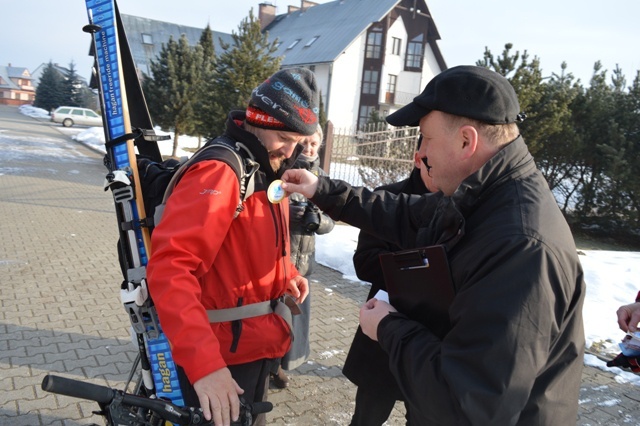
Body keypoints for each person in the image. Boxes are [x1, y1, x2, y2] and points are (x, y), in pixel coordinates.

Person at [281, 65, 586, 425]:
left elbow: (466, 403)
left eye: (426, 138)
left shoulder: (520, 247)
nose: (420, 153)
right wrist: (322, 190)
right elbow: (405, 212)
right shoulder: (485, 197)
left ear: (466, 141)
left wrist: (388, 328)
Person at [147, 68, 320, 426]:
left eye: (299, 142)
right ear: (258, 119)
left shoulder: (265, 166)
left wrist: (285, 275)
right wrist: (205, 366)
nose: (291, 151)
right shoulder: (221, 172)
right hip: (221, 359)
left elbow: (247, 244)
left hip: (253, 346)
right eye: (285, 137)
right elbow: (170, 270)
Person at [343, 135, 430, 425]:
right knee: (367, 417)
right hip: (382, 331)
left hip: (432, 338)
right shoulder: (386, 199)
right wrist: (415, 269)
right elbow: (364, 262)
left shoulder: (458, 204)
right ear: (419, 157)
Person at [271, 124, 336, 388]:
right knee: (272, 319)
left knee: (294, 323)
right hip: (276, 263)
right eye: (305, 142)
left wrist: (316, 220)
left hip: (303, 266)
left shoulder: (322, 177)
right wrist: (287, 215)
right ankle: (269, 365)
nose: (308, 148)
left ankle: (283, 366)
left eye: (314, 143)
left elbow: (332, 220)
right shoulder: (280, 170)